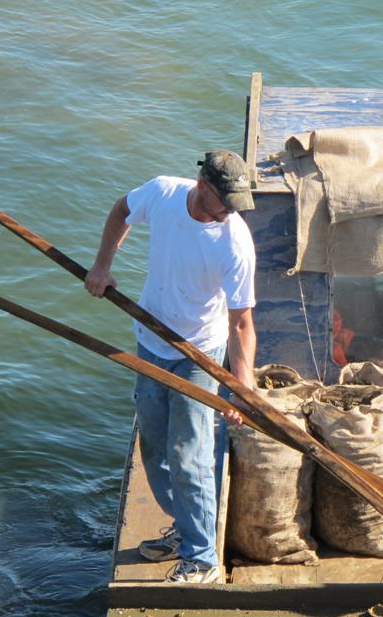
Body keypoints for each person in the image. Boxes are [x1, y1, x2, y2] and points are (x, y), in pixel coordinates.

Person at [85, 151, 257, 584]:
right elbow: (121, 210)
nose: (230, 212)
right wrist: (102, 266)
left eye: (237, 204)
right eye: (225, 203)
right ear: (202, 186)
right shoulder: (163, 193)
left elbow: (241, 323)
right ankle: (184, 527)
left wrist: (242, 386)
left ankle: (202, 559)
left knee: (189, 454)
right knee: (154, 446)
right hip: (150, 340)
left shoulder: (235, 241)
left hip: (200, 352)